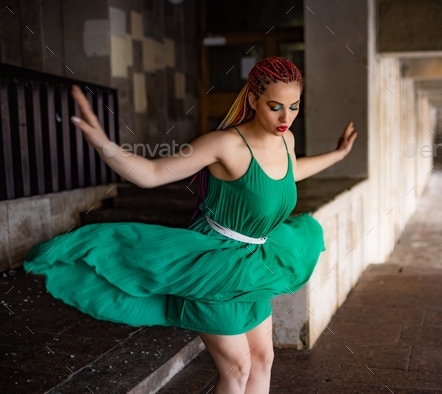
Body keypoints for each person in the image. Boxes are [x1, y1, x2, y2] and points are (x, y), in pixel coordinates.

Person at [23, 56, 357, 394]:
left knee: (263, 359)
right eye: (275, 106)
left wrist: (338, 155)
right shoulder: (225, 145)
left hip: (254, 264)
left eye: (294, 106)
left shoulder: (286, 141)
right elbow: (150, 175)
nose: (286, 117)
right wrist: (102, 142)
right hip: (212, 266)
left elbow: (288, 174)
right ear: (253, 99)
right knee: (237, 369)